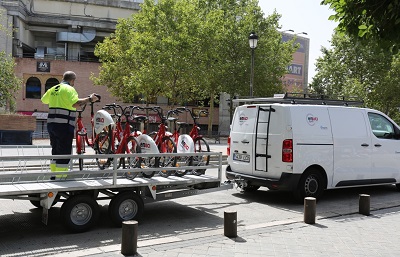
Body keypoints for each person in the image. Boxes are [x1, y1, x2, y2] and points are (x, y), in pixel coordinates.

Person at [41, 71, 99, 176]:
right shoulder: (69, 89)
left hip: (51, 124)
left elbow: (44, 100)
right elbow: (76, 103)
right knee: (64, 151)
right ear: (72, 80)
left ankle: (54, 174)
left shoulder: (54, 88)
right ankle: (61, 176)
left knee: (55, 149)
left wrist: (59, 100)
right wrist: (90, 99)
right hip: (64, 124)